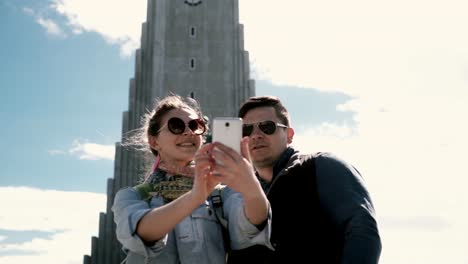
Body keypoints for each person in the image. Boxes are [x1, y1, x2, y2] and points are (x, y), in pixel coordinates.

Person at [111, 94, 272, 263]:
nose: (189, 132)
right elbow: (141, 232)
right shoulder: (133, 196)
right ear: (154, 142)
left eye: (196, 125)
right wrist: (194, 197)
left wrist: (252, 187)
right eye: (176, 126)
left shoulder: (219, 194)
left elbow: (252, 226)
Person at [231, 95, 382, 263]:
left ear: (289, 134)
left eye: (267, 127)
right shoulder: (236, 194)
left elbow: (362, 230)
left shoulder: (323, 167)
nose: (256, 135)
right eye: (247, 130)